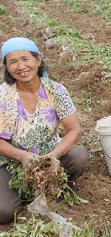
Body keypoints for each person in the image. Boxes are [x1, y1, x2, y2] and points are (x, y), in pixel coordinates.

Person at [0, 37, 90, 223]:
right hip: (12, 162)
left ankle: (51, 186)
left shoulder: (56, 91)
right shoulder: (4, 96)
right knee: (4, 211)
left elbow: (74, 130)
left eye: (25, 59)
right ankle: (28, 193)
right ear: (7, 67)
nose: (21, 66)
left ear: (38, 60)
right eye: (13, 62)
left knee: (79, 156)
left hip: (49, 155)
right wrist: (23, 157)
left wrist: (53, 156)